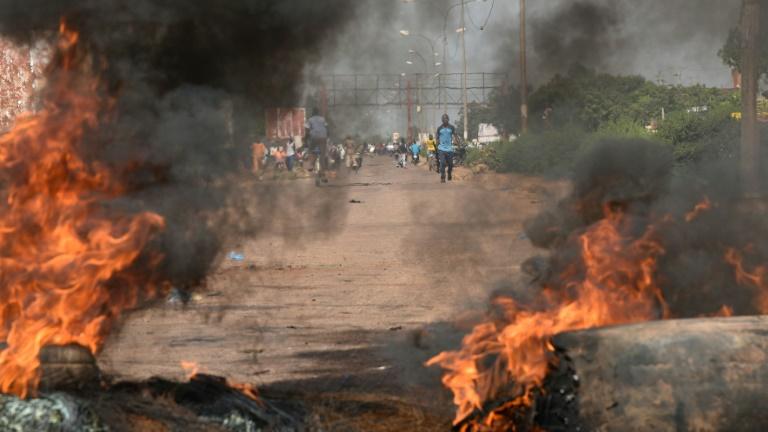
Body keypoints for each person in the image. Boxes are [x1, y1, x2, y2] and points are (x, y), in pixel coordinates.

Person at [305, 107, 329, 183]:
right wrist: (326, 136)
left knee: (311, 151)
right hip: (323, 138)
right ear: (318, 113)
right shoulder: (322, 119)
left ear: (312, 113)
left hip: (314, 138)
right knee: (322, 156)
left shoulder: (310, 119)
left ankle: (311, 165)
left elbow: (307, 129)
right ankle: (324, 175)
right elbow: (327, 128)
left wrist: (305, 139)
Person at [436, 114, 457, 183]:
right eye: (444, 119)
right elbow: (437, 137)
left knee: (451, 164)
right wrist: (437, 144)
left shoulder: (452, 127)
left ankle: (449, 173)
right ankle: (442, 176)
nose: (445, 120)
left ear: (448, 119)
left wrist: (457, 141)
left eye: (446, 119)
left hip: (449, 148)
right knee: (442, 163)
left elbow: (455, 135)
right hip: (441, 148)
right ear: (442, 120)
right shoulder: (439, 128)